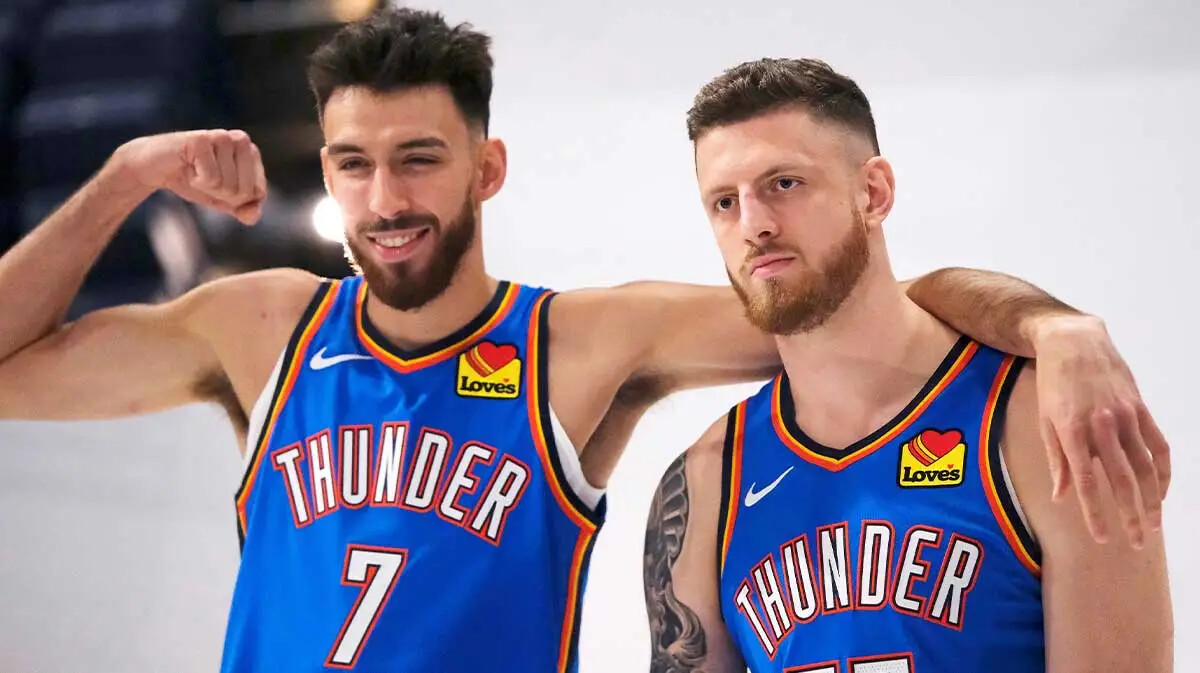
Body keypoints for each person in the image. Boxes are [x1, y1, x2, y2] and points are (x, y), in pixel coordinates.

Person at [0, 9, 1165, 673]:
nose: (385, 198)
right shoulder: (264, 328)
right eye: (354, 164)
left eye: (419, 159)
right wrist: (125, 175)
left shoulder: (580, 341)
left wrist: (1056, 326)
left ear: (486, 168)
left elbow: (854, 301)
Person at [642, 57, 1172, 673]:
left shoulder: (1042, 421)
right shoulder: (709, 482)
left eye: (784, 184)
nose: (754, 225)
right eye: (725, 202)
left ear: (874, 192)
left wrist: (1056, 326)